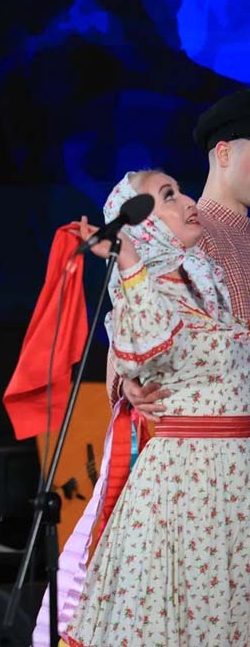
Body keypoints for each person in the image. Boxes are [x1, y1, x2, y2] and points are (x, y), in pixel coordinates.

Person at [64, 170, 250, 645]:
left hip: (233, 479)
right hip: (189, 483)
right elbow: (141, 346)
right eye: (169, 196)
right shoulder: (143, 289)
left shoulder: (201, 280)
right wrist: (129, 260)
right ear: (141, 225)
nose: (188, 201)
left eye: (180, 191)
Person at [110, 89, 250, 418]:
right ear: (224, 154)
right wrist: (127, 379)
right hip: (208, 432)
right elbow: (133, 318)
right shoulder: (181, 232)